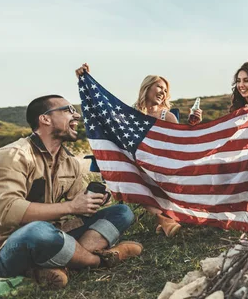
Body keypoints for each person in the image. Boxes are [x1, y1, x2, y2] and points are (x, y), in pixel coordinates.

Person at [0, 95, 142, 289]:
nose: (77, 116)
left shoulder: (70, 161)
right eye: (68, 110)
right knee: (38, 230)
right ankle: (97, 261)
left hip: (57, 235)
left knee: (121, 213)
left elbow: (76, 205)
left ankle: (58, 265)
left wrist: (92, 201)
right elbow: (7, 212)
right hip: (13, 247)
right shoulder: (11, 156)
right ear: (45, 119)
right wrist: (71, 206)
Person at [74, 64, 202, 237]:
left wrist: (193, 126)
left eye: (165, 90)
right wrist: (85, 80)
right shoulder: (130, 115)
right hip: (138, 164)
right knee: (130, 173)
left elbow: (179, 145)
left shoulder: (167, 116)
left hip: (163, 164)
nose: (163, 92)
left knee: (139, 173)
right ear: (147, 88)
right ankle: (162, 219)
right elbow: (106, 119)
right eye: (159, 87)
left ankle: (164, 218)